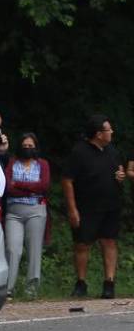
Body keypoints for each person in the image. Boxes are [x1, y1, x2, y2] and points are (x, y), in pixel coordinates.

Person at [62, 115, 125, 299]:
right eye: (108, 129)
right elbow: (67, 180)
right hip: (86, 207)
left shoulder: (112, 150)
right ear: (98, 134)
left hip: (111, 205)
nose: (112, 132)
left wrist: (120, 176)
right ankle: (81, 282)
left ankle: (109, 283)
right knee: (83, 244)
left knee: (109, 242)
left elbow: (119, 170)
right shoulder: (79, 152)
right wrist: (72, 209)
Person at [3, 133, 50, 297]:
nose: (28, 149)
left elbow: (43, 186)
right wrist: (31, 187)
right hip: (13, 212)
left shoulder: (42, 164)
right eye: (25, 146)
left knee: (34, 250)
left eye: (31, 146)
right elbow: (8, 187)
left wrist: (19, 184)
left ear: (36, 147)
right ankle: (8, 289)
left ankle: (32, 290)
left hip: (36, 212)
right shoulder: (11, 163)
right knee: (12, 249)